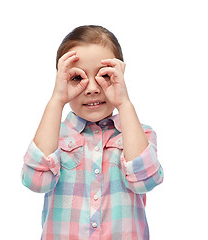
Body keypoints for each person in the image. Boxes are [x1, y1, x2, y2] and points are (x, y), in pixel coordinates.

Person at [21, 25, 164, 240]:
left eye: (103, 75)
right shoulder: (53, 137)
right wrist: (57, 100)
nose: (92, 89)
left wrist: (124, 102)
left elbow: (146, 181)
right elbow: (35, 182)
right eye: (78, 78)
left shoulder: (140, 134)